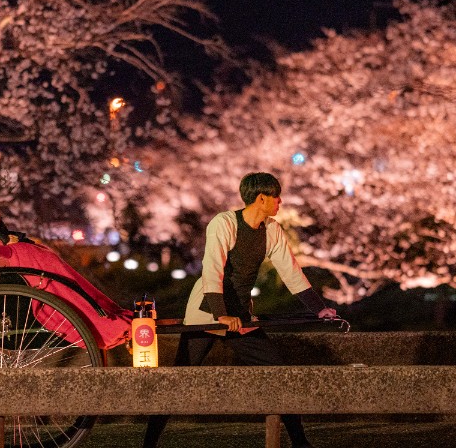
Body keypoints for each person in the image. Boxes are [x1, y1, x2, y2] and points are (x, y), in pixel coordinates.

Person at [143, 172, 339, 448]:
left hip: (241, 315)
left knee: (278, 371)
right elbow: (212, 269)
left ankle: (300, 442)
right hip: (206, 310)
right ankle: (149, 443)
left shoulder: (271, 229)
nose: (280, 201)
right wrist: (220, 314)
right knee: (179, 377)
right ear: (261, 198)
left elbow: (291, 272)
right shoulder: (224, 223)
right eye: (276, 196)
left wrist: (319, 309)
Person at [0, 136, 131, 348]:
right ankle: (99, 323)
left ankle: (102, 315)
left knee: (50, 263)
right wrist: (2, 240)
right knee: (49, 267)